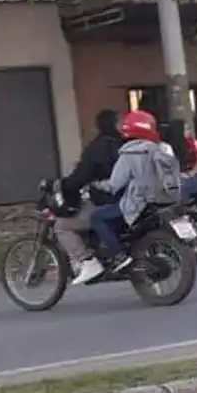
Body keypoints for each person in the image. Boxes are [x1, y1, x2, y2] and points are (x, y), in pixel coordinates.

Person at [81, 110, 182, 285]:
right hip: (163, 200)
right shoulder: (160, 149)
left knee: (97, 217)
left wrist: (96, 184)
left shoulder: (129, 153)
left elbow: (115, 185)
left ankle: (119, 256)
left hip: (138, 203)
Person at [56, 110, 122, 278]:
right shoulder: (128, 144)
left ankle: (86, 260)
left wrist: (65, 184)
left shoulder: (97, 148)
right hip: (133, 199)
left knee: (62, 226)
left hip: (108, 202)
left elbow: (79, 177)